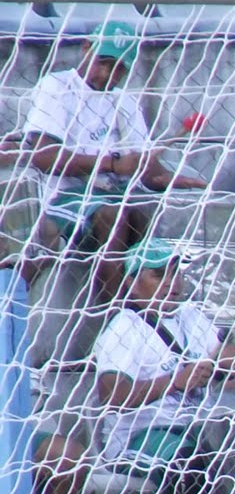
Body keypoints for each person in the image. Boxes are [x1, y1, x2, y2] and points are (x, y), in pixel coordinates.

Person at [91, 239, 235, 494]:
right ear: (132, 282)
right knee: (188, 463)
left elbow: (229, 355)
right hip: (139, 436)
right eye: (158, 275)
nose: (171, 282)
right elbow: (112, 394)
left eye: (175, 273)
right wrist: (175, 382)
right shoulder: (124, 328)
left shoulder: (190, 315)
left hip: (194, 426)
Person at [19, 22, 206, 301]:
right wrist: (113, 164)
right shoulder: (57, 87)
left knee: (141, 210)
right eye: (103, 62)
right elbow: (44, 156)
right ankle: (113, 309)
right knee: (112, 214)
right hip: (63, 198)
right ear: (86, 48)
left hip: (111, 195)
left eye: (119, 68)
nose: (108, 73)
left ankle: (142, 305)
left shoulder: (124, 102)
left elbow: (144, 166)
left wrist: (167, 178)